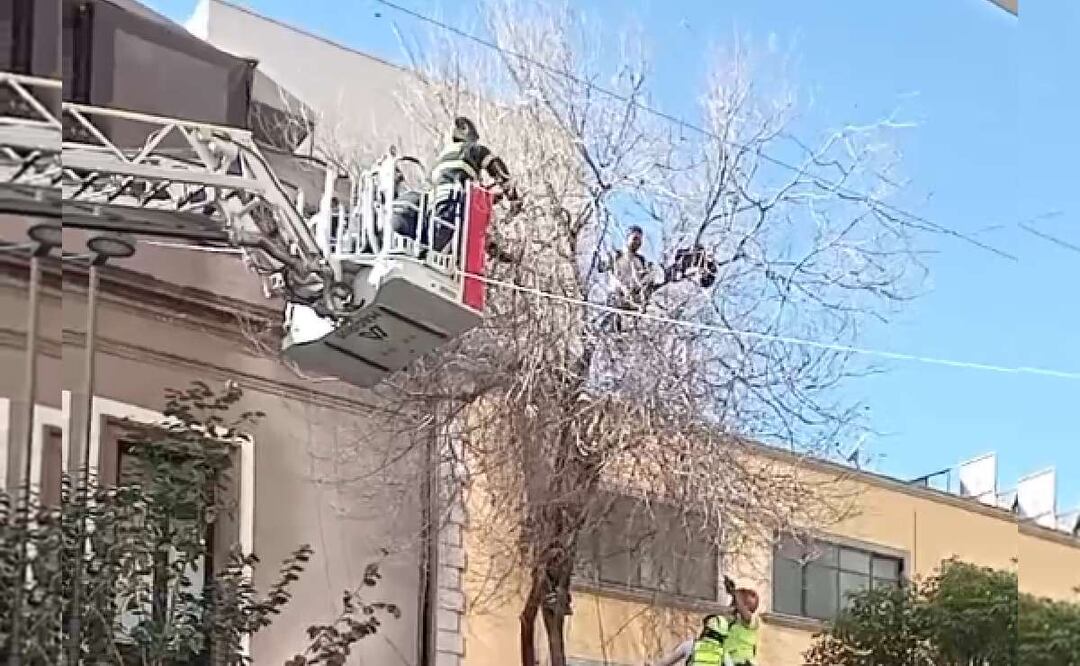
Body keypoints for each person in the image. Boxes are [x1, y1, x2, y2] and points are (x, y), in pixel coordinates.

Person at [391, 116, 520, 253]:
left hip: (433, 209)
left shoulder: (440, 160)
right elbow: (497, 169)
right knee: (455, 240)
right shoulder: (472, 150)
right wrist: (514, 198)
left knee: (439, 245)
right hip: (452, 203)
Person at [648, 577, 761, 666]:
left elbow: (742, 609)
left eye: (736, 601)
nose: (733, 603)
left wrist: (734, 592)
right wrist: (732, 593)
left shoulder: (752, 622)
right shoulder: (728, 622)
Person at [597, 225, 663, 331]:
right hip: (617, 298)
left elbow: (646, 281)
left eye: (640, 240)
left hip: (634, 301)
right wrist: (602, 257)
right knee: (613, 327)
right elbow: (601, 268)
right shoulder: (616, 256)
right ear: (627, 238)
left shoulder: (641, 260)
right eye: (635, 238)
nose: (638, 243)